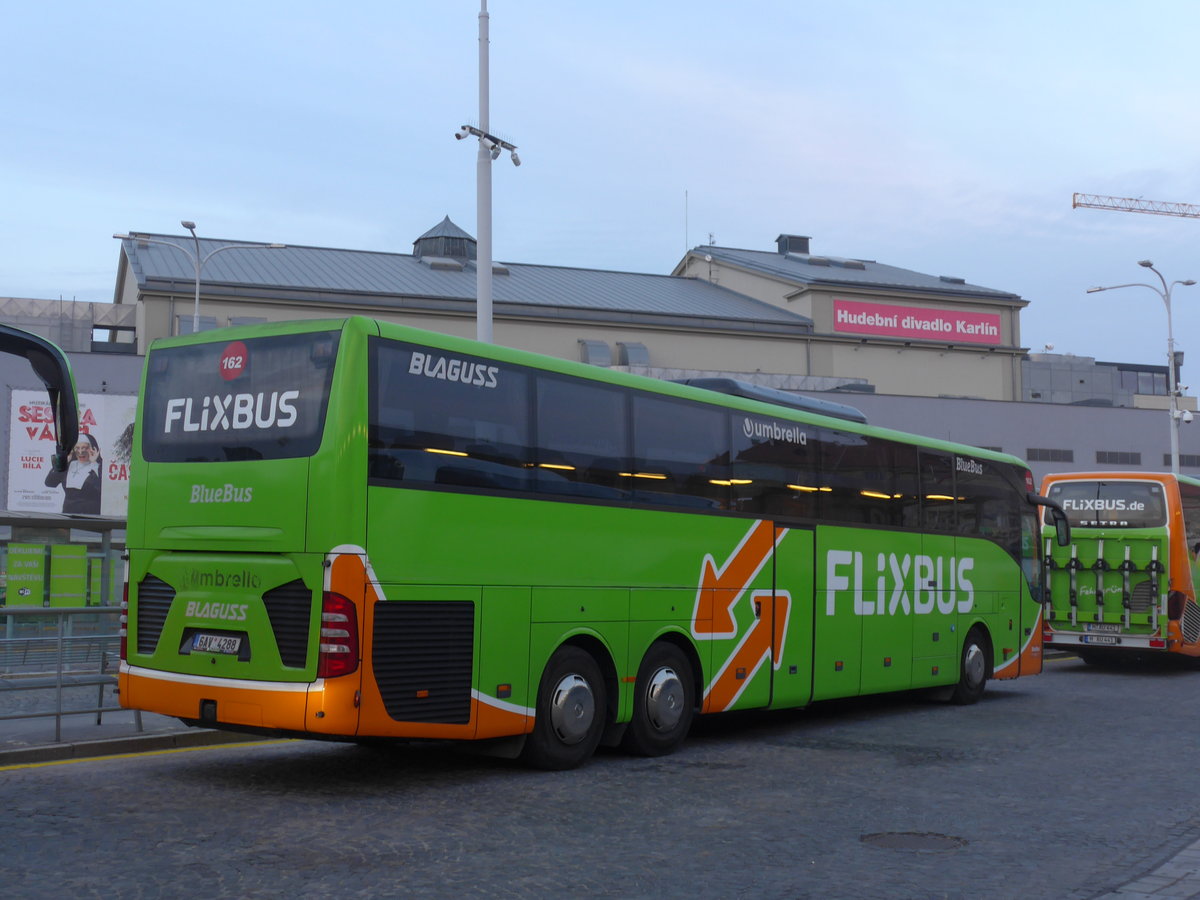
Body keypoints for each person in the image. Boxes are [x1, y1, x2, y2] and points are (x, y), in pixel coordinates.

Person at [44, 433, 102, 514]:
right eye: (77, 448)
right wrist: (63, 461)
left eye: (84, 448)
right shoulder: (69, 465)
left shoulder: (99, 467)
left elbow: (101, 489)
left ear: (93, 449)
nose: (80, 452)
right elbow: (50, 483)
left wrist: (94, 464)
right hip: (69, 515)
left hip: (91, 517)